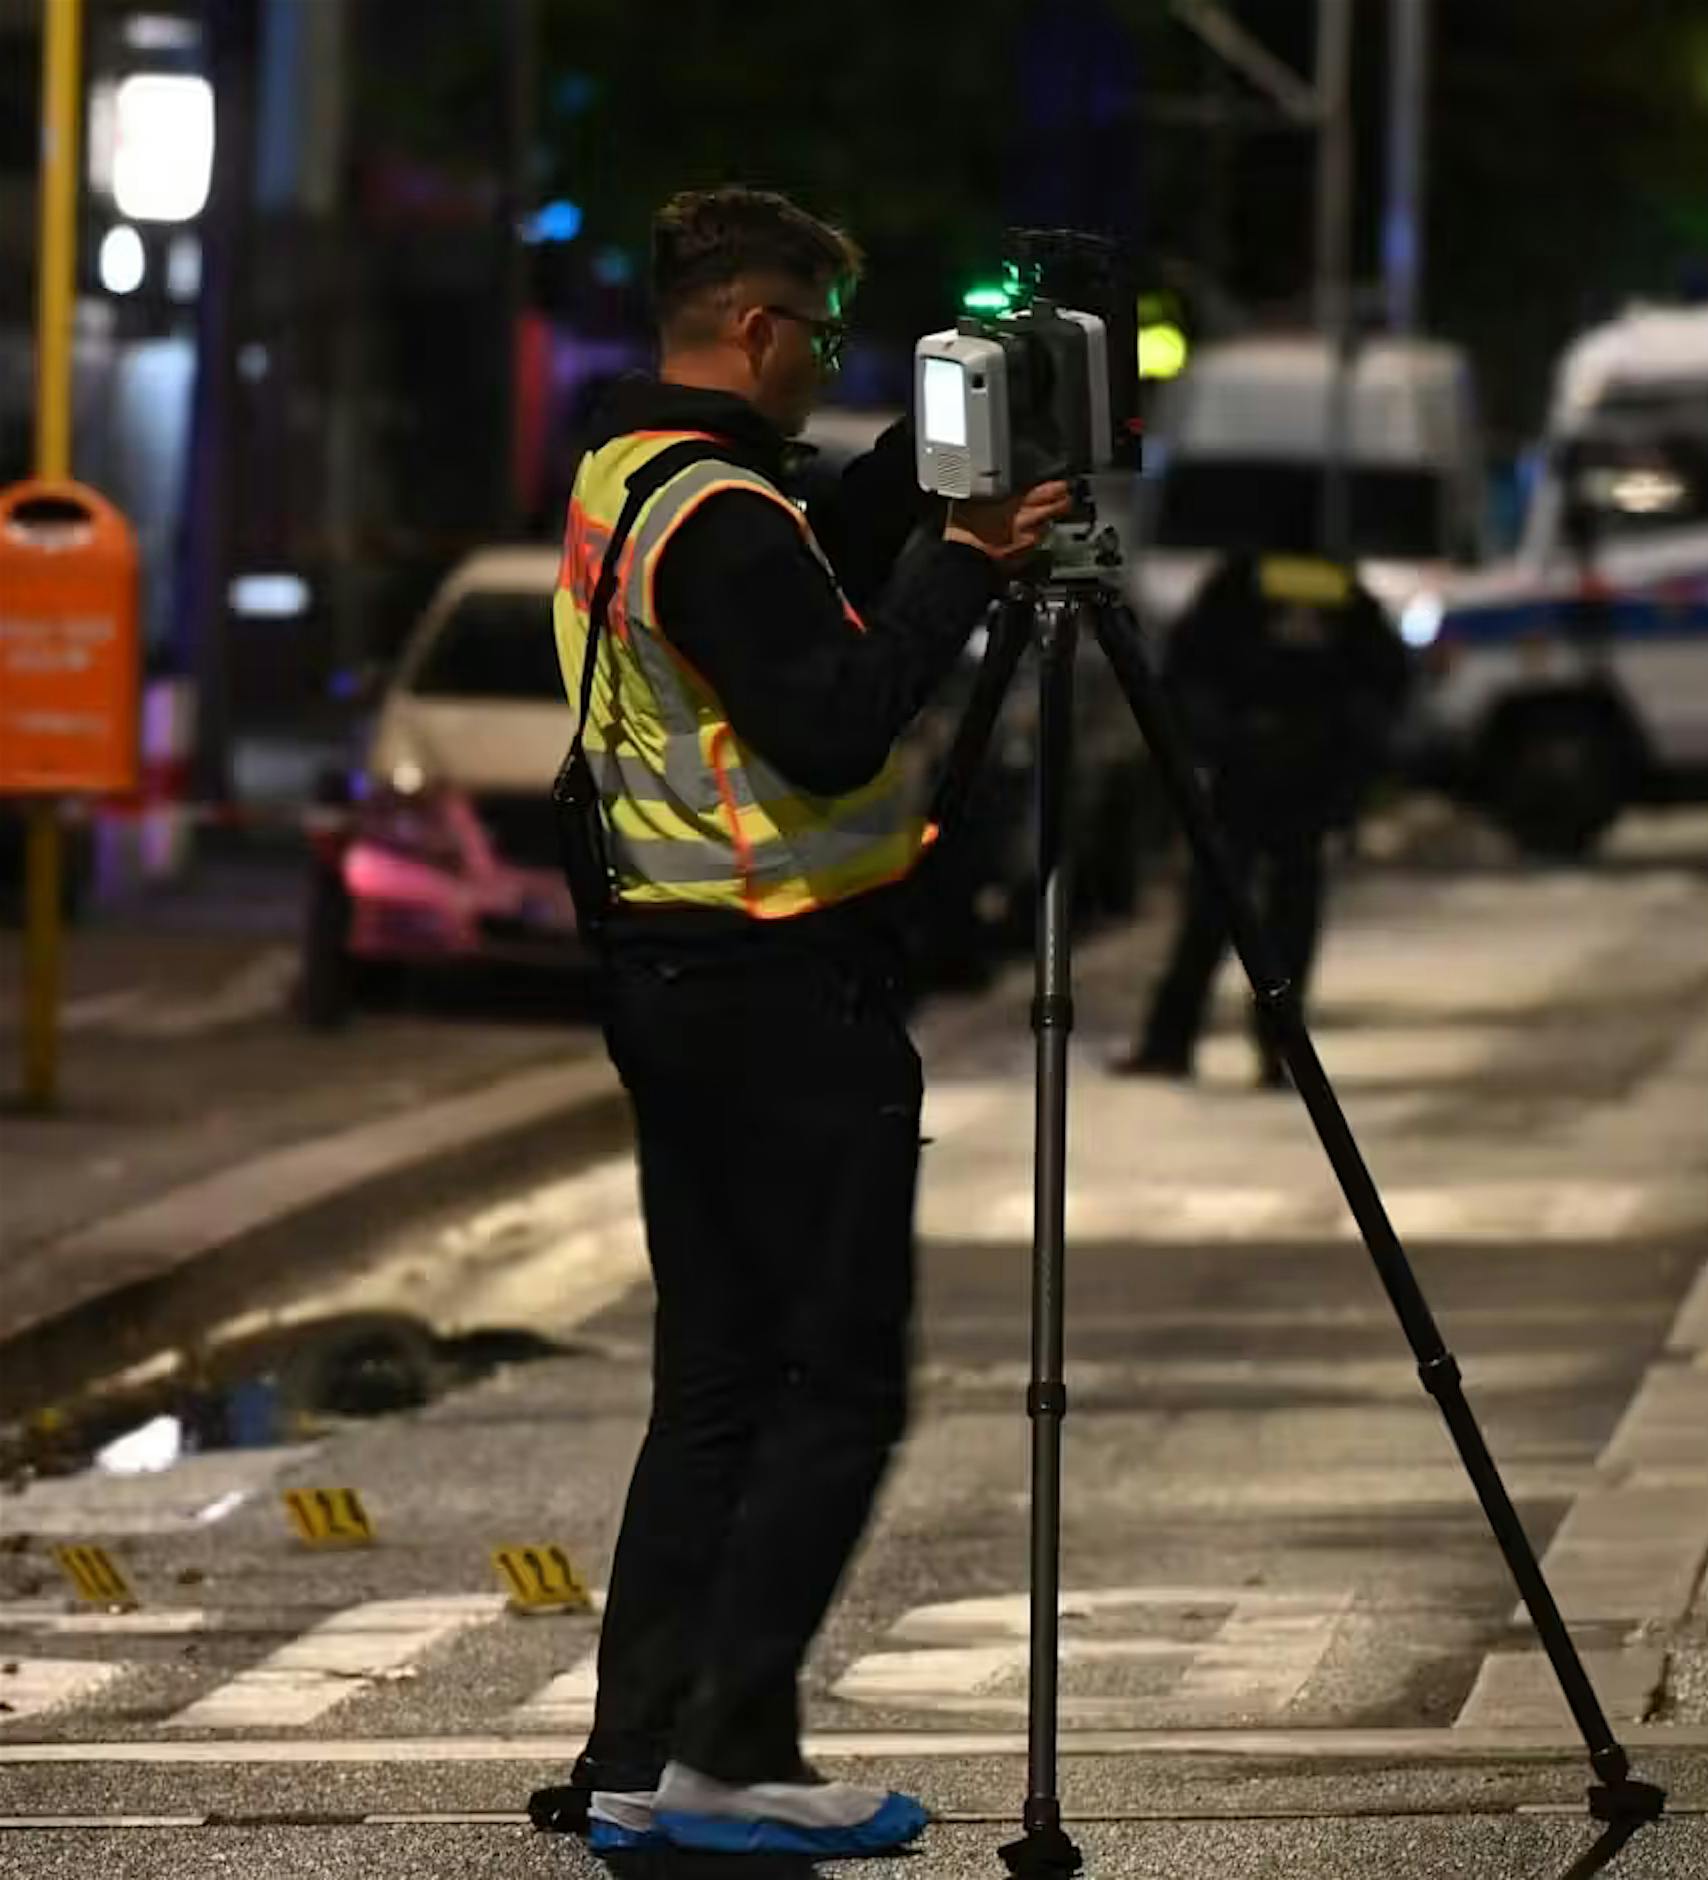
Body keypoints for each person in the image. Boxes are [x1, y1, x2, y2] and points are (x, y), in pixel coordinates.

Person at [535, 187, 1070, 1860]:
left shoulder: (635, 476)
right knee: (839, 1388)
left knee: (715, 1385)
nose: (823, 367)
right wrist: (963, 574)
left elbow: (811, 529)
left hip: (676, 980)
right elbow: (835, 724)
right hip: (780, 994)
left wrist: (943, 449)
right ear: (754, 328)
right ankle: (732, 1752)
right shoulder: (722, 517)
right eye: (821, 337)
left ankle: (637, 1757)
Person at [1114, 549, 1409, 1088]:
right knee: (1287, 919)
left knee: (1211, 913)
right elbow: (1385, 680)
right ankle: (1277, 1050)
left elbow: (1187, 667)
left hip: (1247, 770)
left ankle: (1172, 1043)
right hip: (1305, 772)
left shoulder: (1239, 580)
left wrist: (1211, 741)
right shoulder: (1336, 583)